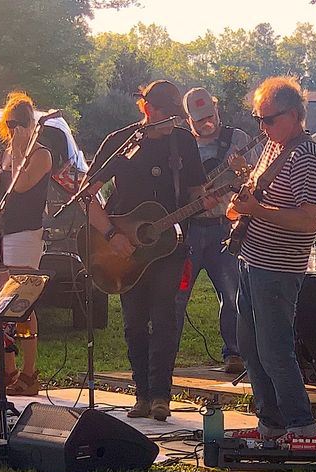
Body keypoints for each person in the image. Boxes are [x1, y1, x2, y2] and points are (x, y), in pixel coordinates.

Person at [80, 80, 210, 422]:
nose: (171, 124)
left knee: (165, 318)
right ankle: (140, 393)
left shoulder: (183, 143)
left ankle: (161, 396)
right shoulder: (120, 143)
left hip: (170, 246)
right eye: (166, 116)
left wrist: (209, 201)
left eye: (175, 117)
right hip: (123, 249)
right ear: (148, 109)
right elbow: (86, 197)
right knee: (134, 322)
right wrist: (110, 234)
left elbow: (197, 192)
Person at [226, 76, 316, 452]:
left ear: (295, 115)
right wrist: (241, 201)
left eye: (269, 119)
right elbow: (259, 199)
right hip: (251, 260)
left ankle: (303, 426)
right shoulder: (273, 148)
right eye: (258, 119)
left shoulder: (307, 157)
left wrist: (257, 210)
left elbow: (307, 219)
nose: (262, 127)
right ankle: (271, 424)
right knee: (250, 347)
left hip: (279, 267)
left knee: (274, 350)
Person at [0, 91, 53, 397]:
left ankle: (31, 375)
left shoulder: (41, 155)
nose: (15, 130)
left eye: (21, 123)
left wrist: (20, 151)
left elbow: (21, 185)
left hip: (25, 235)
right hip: (0, 234)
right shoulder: (1, 155)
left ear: (33, 124)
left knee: (21, 301)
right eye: (10, 123)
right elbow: (1, 193)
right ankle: (8, 371)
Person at [173, 87, 255, 375]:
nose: (206, 123)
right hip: (190, 230)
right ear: (188, 120)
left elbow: (256, 180)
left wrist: (243, 169)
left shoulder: (238, 140)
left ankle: (234, 353)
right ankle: (167, 354)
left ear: (217, 109)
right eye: (199, 119)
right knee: (178, 294)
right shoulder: (181, 145)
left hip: (223, 228)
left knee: (232, 294)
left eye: (210, 116)